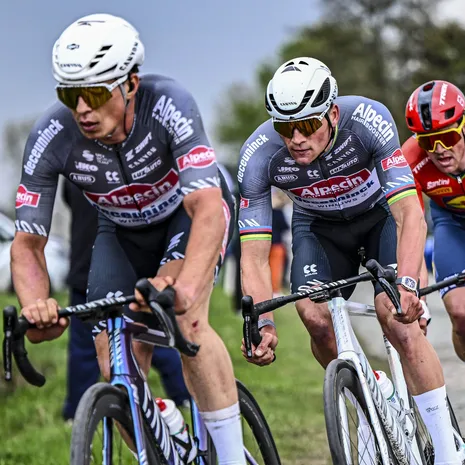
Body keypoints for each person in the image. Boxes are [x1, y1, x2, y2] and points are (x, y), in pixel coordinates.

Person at [11, 14, 245, 464]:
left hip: (186, 217)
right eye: (69, 95)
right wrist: (36, 304)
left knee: (188, 322)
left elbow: (205, 208)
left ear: (130, 83)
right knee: (113, 361)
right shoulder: (51, 135)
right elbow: (27, 244)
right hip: (119, 229)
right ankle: (161, 435)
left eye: (96, 94)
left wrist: (186, 289)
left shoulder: (169, 103)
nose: (82, 108)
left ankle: (232, 456)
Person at [238, 57, 460, 463]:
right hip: (318, 229)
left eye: (308, 125)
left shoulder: (368, 120)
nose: (296, 139)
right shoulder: (258, 155)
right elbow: (253, 255)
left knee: (396, 317)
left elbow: (409, 215)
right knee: (314, 316)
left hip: (378, 218)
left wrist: (409, 284)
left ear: (333, 114)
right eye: (285, 127)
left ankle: (449, 450)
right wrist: (263, 323)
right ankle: (366, 394)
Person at [61, 179, 190, 422]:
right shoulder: (127, 177)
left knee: (87, 348)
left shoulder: (73, 175)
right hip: (116, 269)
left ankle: (76, 413)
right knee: (148, 338)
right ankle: (182, 395)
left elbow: (67, 200)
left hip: (89, 268)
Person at [403, 80, 465, 362]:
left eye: (448, 137)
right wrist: (418, 298)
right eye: (428, 141)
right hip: (450, 223)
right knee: (460, 314)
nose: (439, 149)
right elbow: (411, 230)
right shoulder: (410, 159)